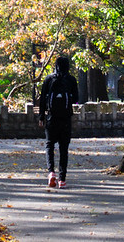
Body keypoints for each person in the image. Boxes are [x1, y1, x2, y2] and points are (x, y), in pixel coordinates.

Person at [38, 55, 78, 189]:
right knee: (63, 149)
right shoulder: (71, 80)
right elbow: (76, 99)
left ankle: (51, 172)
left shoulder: (49, 79)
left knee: (49, 145)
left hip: (51, 118)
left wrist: (41, 117)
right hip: (66, 119)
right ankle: (62, 179)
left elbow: (42, 99)